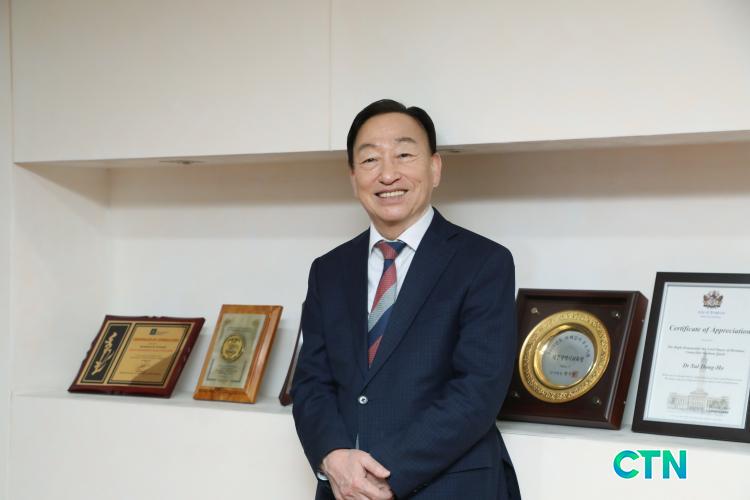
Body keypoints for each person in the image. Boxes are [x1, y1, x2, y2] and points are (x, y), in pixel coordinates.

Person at [291, 99, 520, 500]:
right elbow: (311, 382)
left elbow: (478, 390)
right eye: (370, 160)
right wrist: (332, 457)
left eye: (404, 155)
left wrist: (381, 474)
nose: (387, 174)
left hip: (450, 488)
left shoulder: (484, 262)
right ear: (353, 177)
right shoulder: (328, 270)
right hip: (345, 490)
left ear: (435, 168)